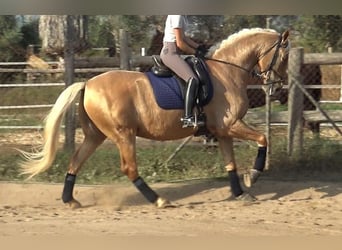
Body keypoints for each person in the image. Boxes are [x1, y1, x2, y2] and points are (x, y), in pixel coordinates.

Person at [160, 15, 207, 128]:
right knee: (193, 79)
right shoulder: (177, 15)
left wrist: (200, 47)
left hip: (175, 52)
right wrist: (196, 53)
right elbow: (180, 43)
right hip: (170, 53)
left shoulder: (182, 15)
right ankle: (187, 117)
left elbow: (184, 37)